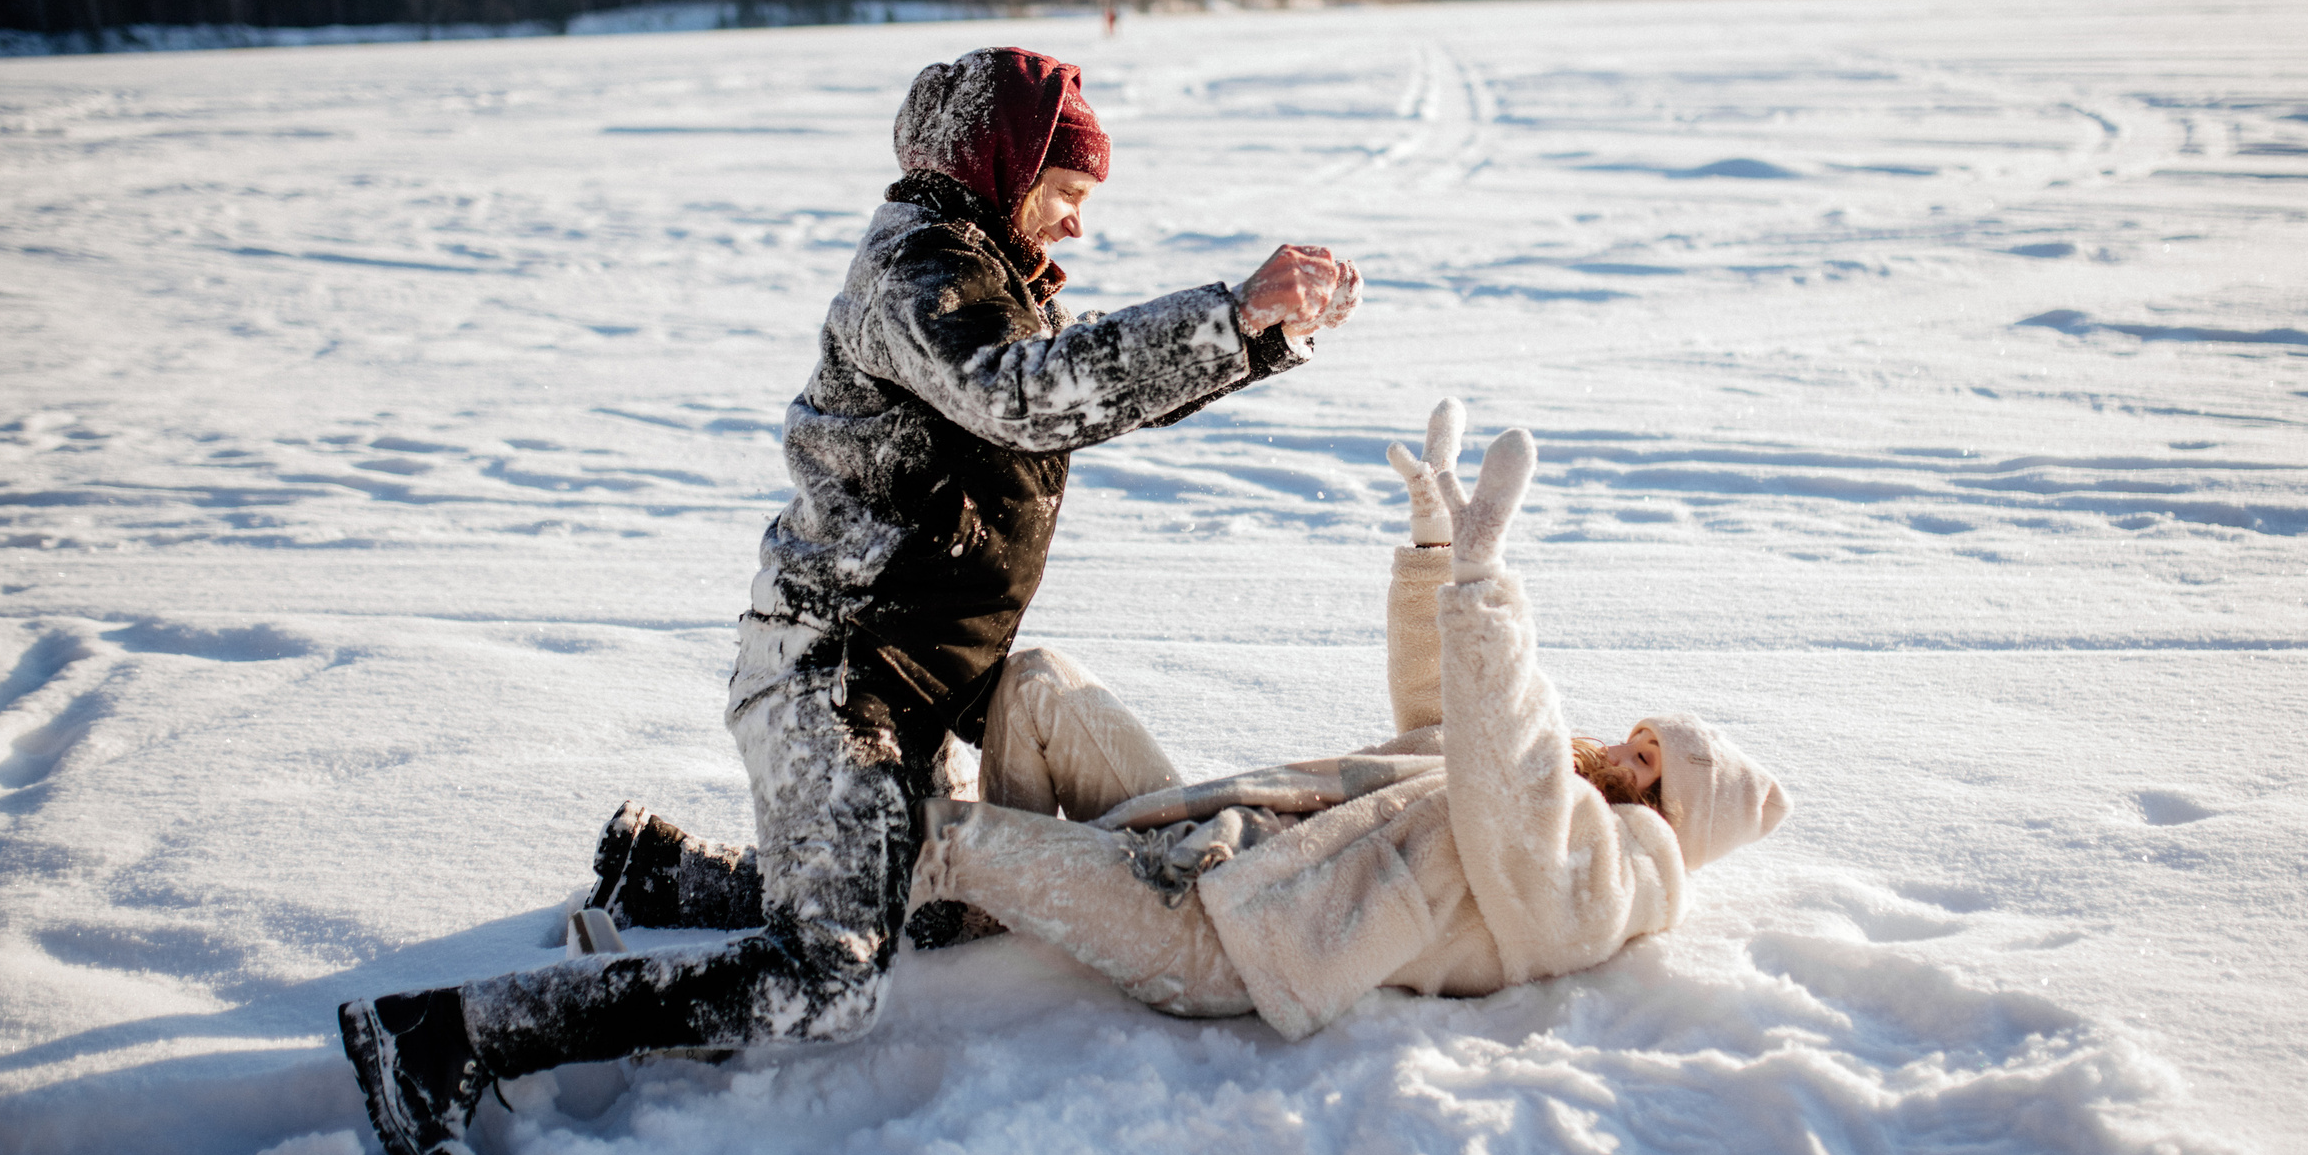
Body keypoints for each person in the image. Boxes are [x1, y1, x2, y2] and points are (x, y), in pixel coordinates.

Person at [339, 46, 1360, 1155]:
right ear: (1005, 165)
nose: (1077, 228)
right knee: (835, 978)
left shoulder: (987, 275)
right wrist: (1228, 317)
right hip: (836, 677)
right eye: (1068, 195)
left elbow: (1063, 380)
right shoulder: (920, 276)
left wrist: (1262, 337)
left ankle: (667, 873)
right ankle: (444, 1031)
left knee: (939, 907)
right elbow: (1024, 394)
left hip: (900, 686)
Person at [549, 401, 1785, 1043]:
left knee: (946, 838)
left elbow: (1511, 796)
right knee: (1039, 688)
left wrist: (1483, 591)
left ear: (1673, 817)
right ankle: (945, 904)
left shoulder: (1604, 878)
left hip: (1225, 940)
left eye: (1650, 766)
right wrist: (1427, 555)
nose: (1623, 757)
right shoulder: (1546, 782)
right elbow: (1437, 714)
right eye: (1639, 736)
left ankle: (704, 940)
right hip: (1213, 837)